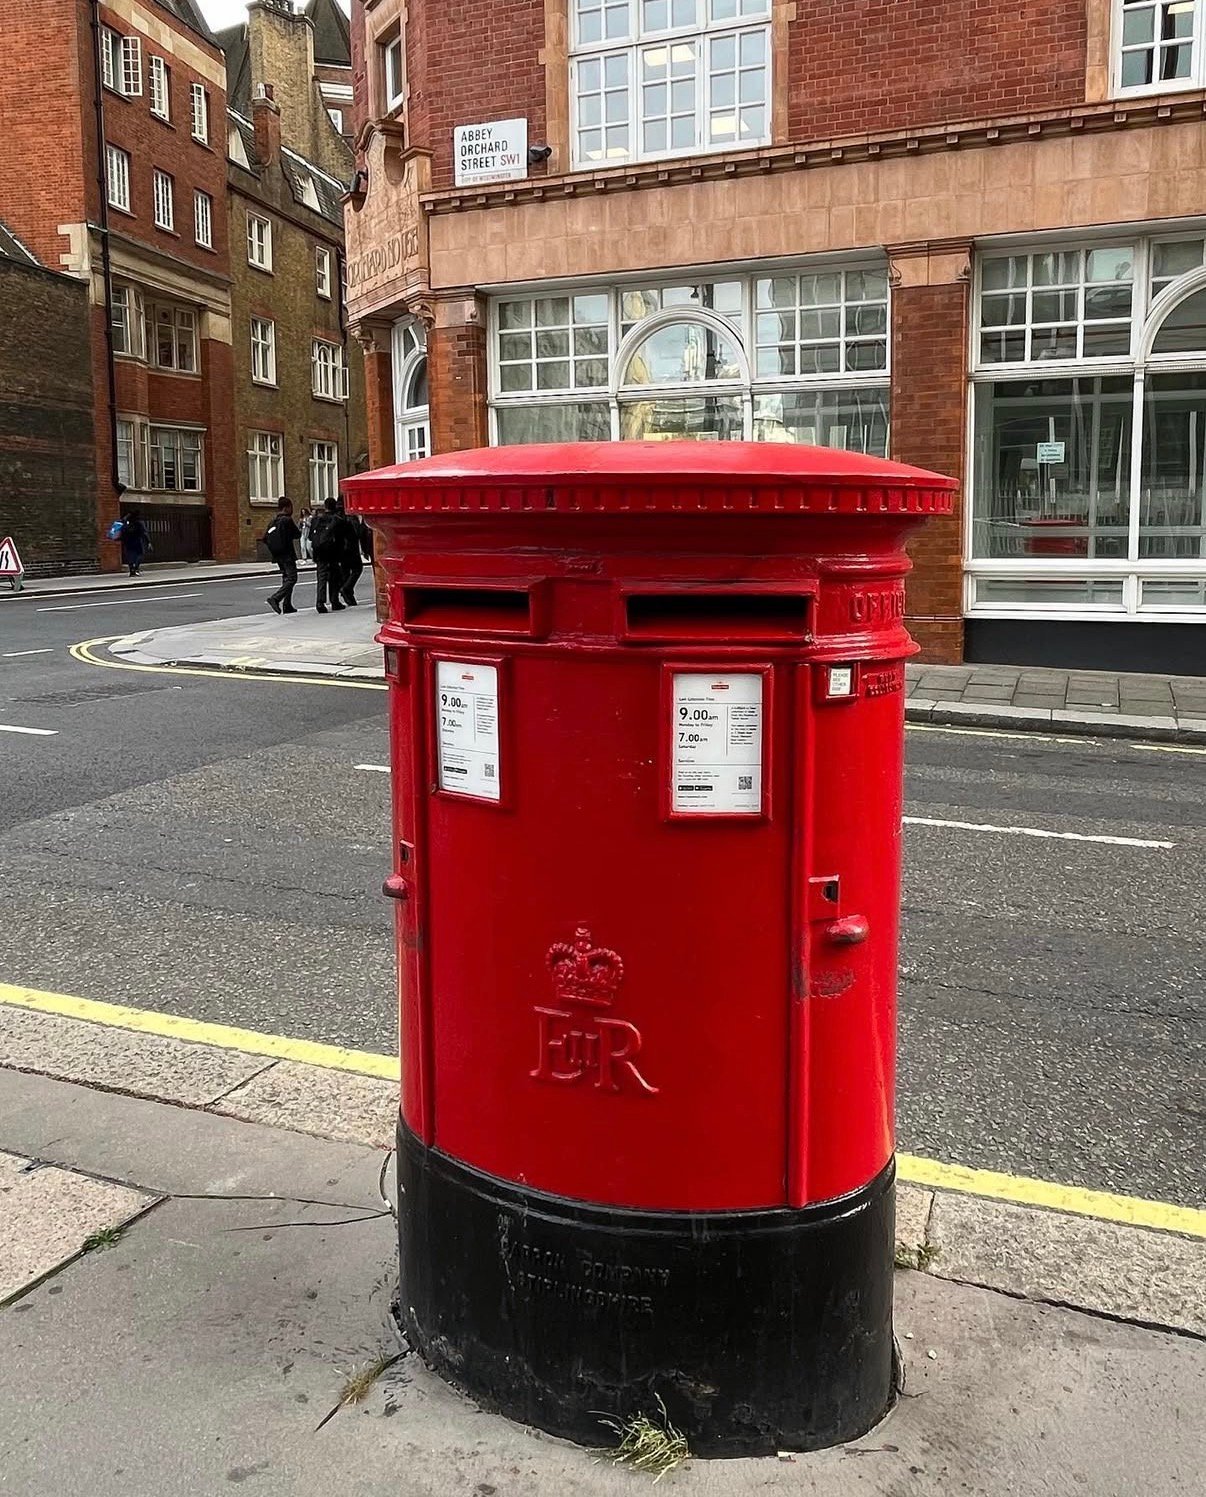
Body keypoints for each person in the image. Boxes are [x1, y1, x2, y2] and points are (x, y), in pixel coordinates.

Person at [309, 496, 356, 614]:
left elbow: (310, 537)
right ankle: (334, 601)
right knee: (335, 577)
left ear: (325, 506)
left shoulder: (316, 520)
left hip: (319, 553)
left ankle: (320, 602)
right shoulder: (337, 520)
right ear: (334, 506)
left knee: (321, 577)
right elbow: (345, 537)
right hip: (333, 553)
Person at [263, 497, 302, 614]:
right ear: (286, 507)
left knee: (286, 578)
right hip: (287, 554)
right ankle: (276, 598)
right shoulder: (287, 520)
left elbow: (265, 538)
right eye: (291, 507)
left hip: (277, 555)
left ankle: (287, 605)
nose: (292, 510)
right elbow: (297, 534)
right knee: (292, 578)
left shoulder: (273, 521)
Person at [338, 502, 372, 607]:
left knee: (345, 572)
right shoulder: (352, 519)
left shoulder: (338, 517)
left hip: (341, 550)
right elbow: (358, 533)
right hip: (351, 549)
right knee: (357, 569)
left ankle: (349, 596)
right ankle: (347, 589)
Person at [119, 511, 149, 577]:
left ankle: (131, 571)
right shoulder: (139, 522)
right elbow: (144, 532)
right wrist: (148, 541)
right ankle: (136, 568)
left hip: (128, 542)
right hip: (137, 541)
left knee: (129, 556)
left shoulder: (126, 523)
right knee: (140, 554)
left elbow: (122, 532)